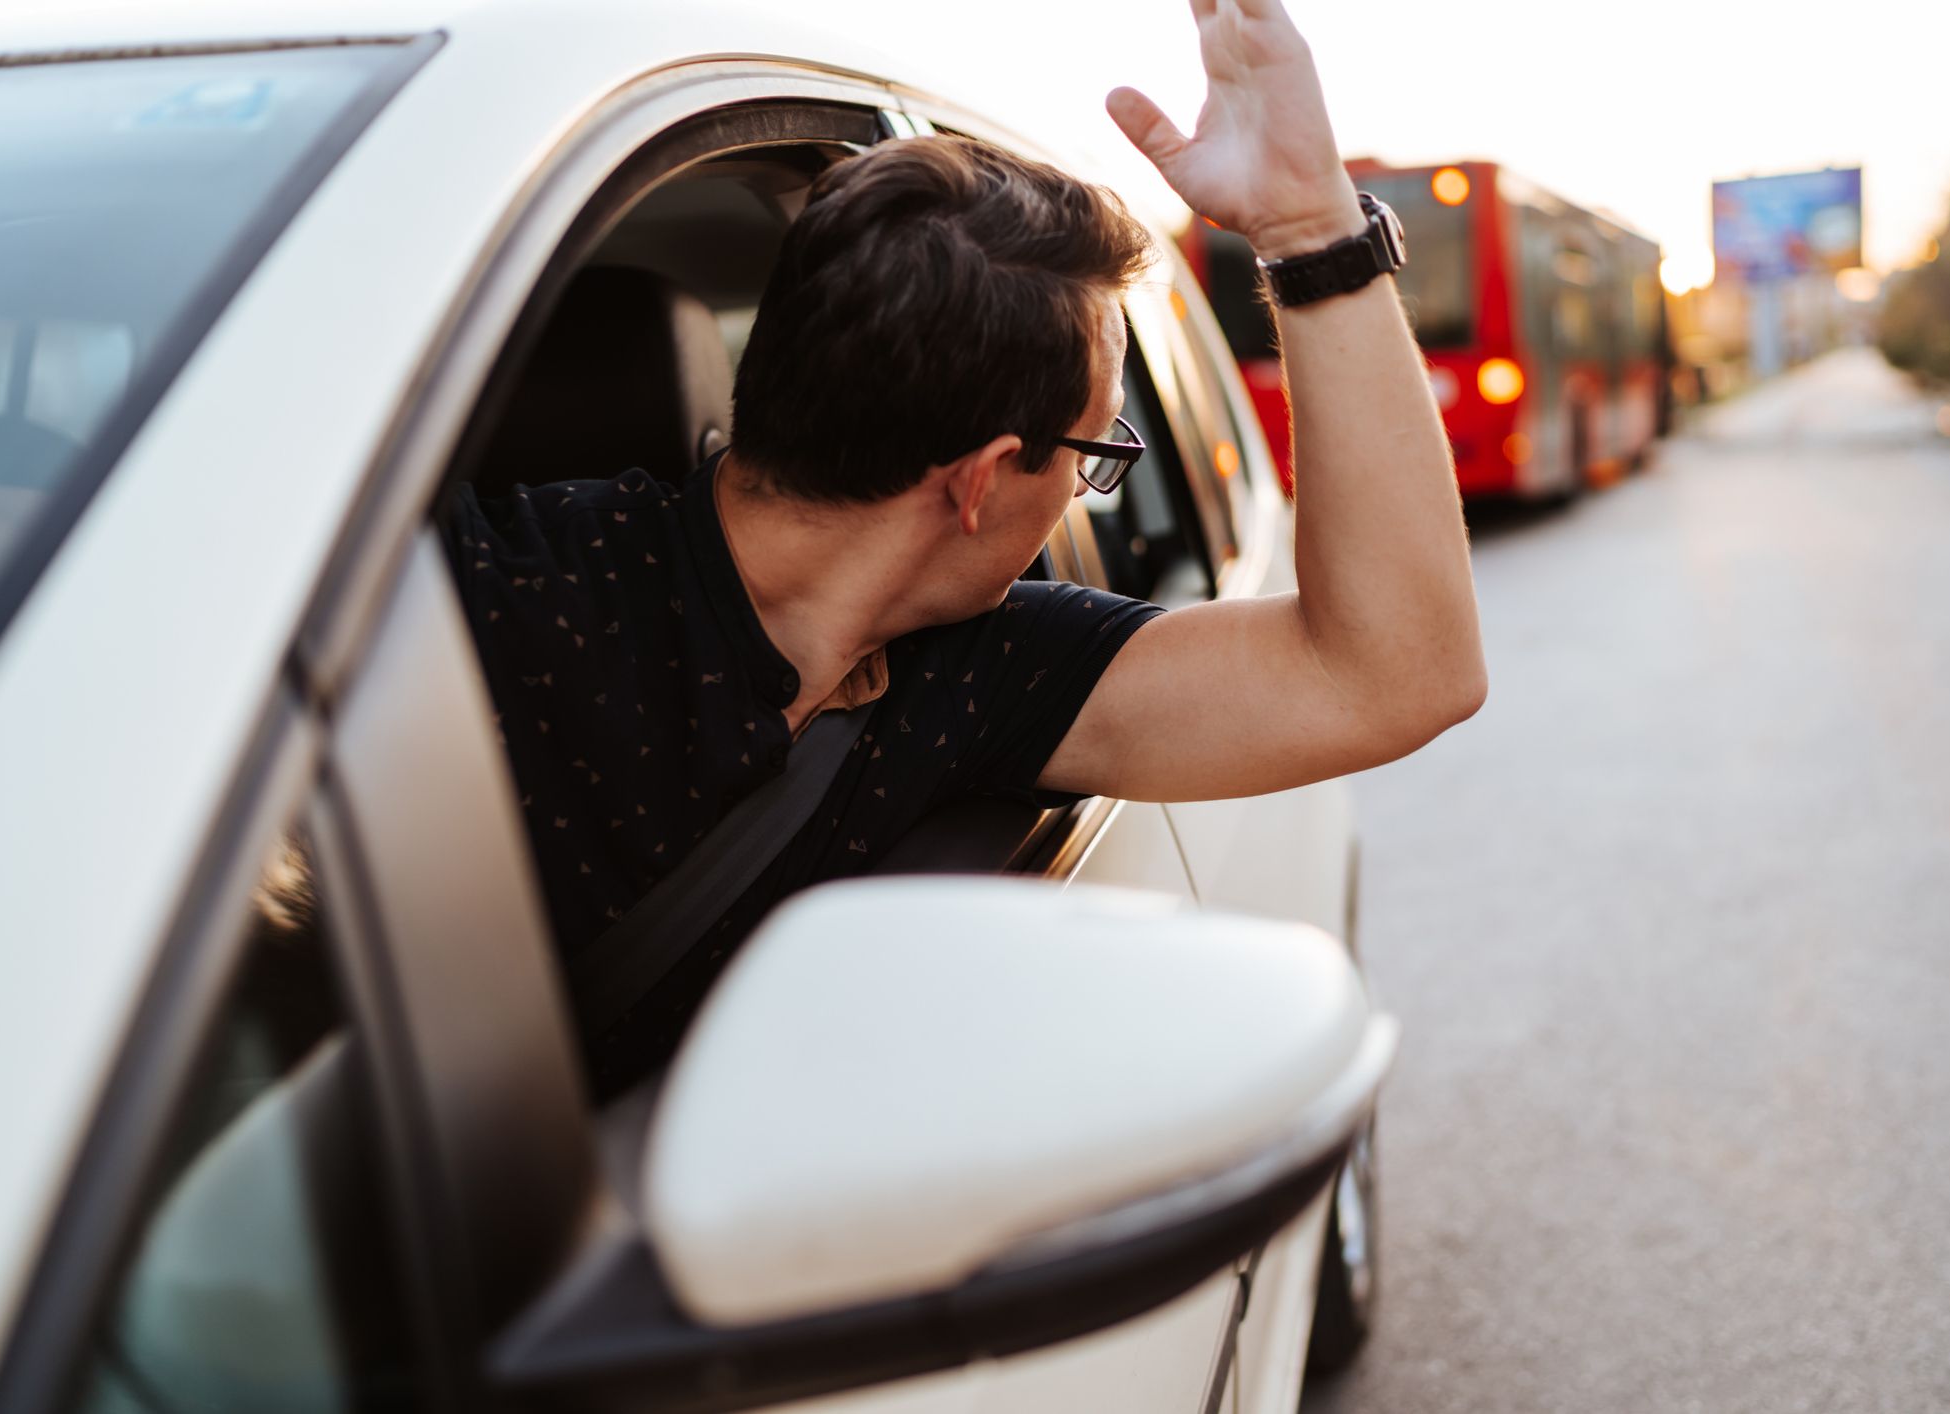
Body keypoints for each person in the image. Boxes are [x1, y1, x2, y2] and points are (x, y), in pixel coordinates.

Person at [449, 0, 1486, 1098]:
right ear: (985, 480)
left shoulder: (980, 673)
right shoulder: (477, 597)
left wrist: (1314, 229)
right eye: (1096, 451)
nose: (1088, 489)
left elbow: (1397, 672)